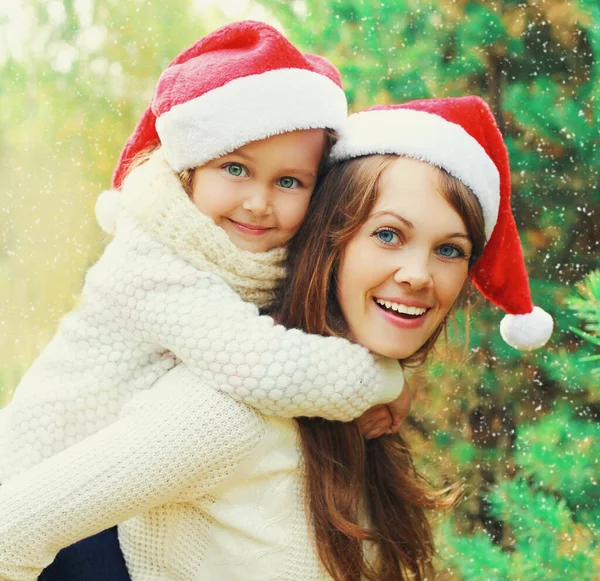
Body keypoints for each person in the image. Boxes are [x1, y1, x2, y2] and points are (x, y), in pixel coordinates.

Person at [1, 95, 552, 580]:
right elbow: (11, 533)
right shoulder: (224, 410)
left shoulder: (347, 411)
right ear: (327, 239)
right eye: (388, 234)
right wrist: (383, 380)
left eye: (449, 250)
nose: (419, 274)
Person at [0, 20, 407, 490]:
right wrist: (383, 378)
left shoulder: (253, 262)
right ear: (190, 169)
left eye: (289, 181)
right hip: (33, 479)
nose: (258, 202)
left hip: (110, 491)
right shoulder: (154, 260)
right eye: (235, 169)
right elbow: (262, 367)